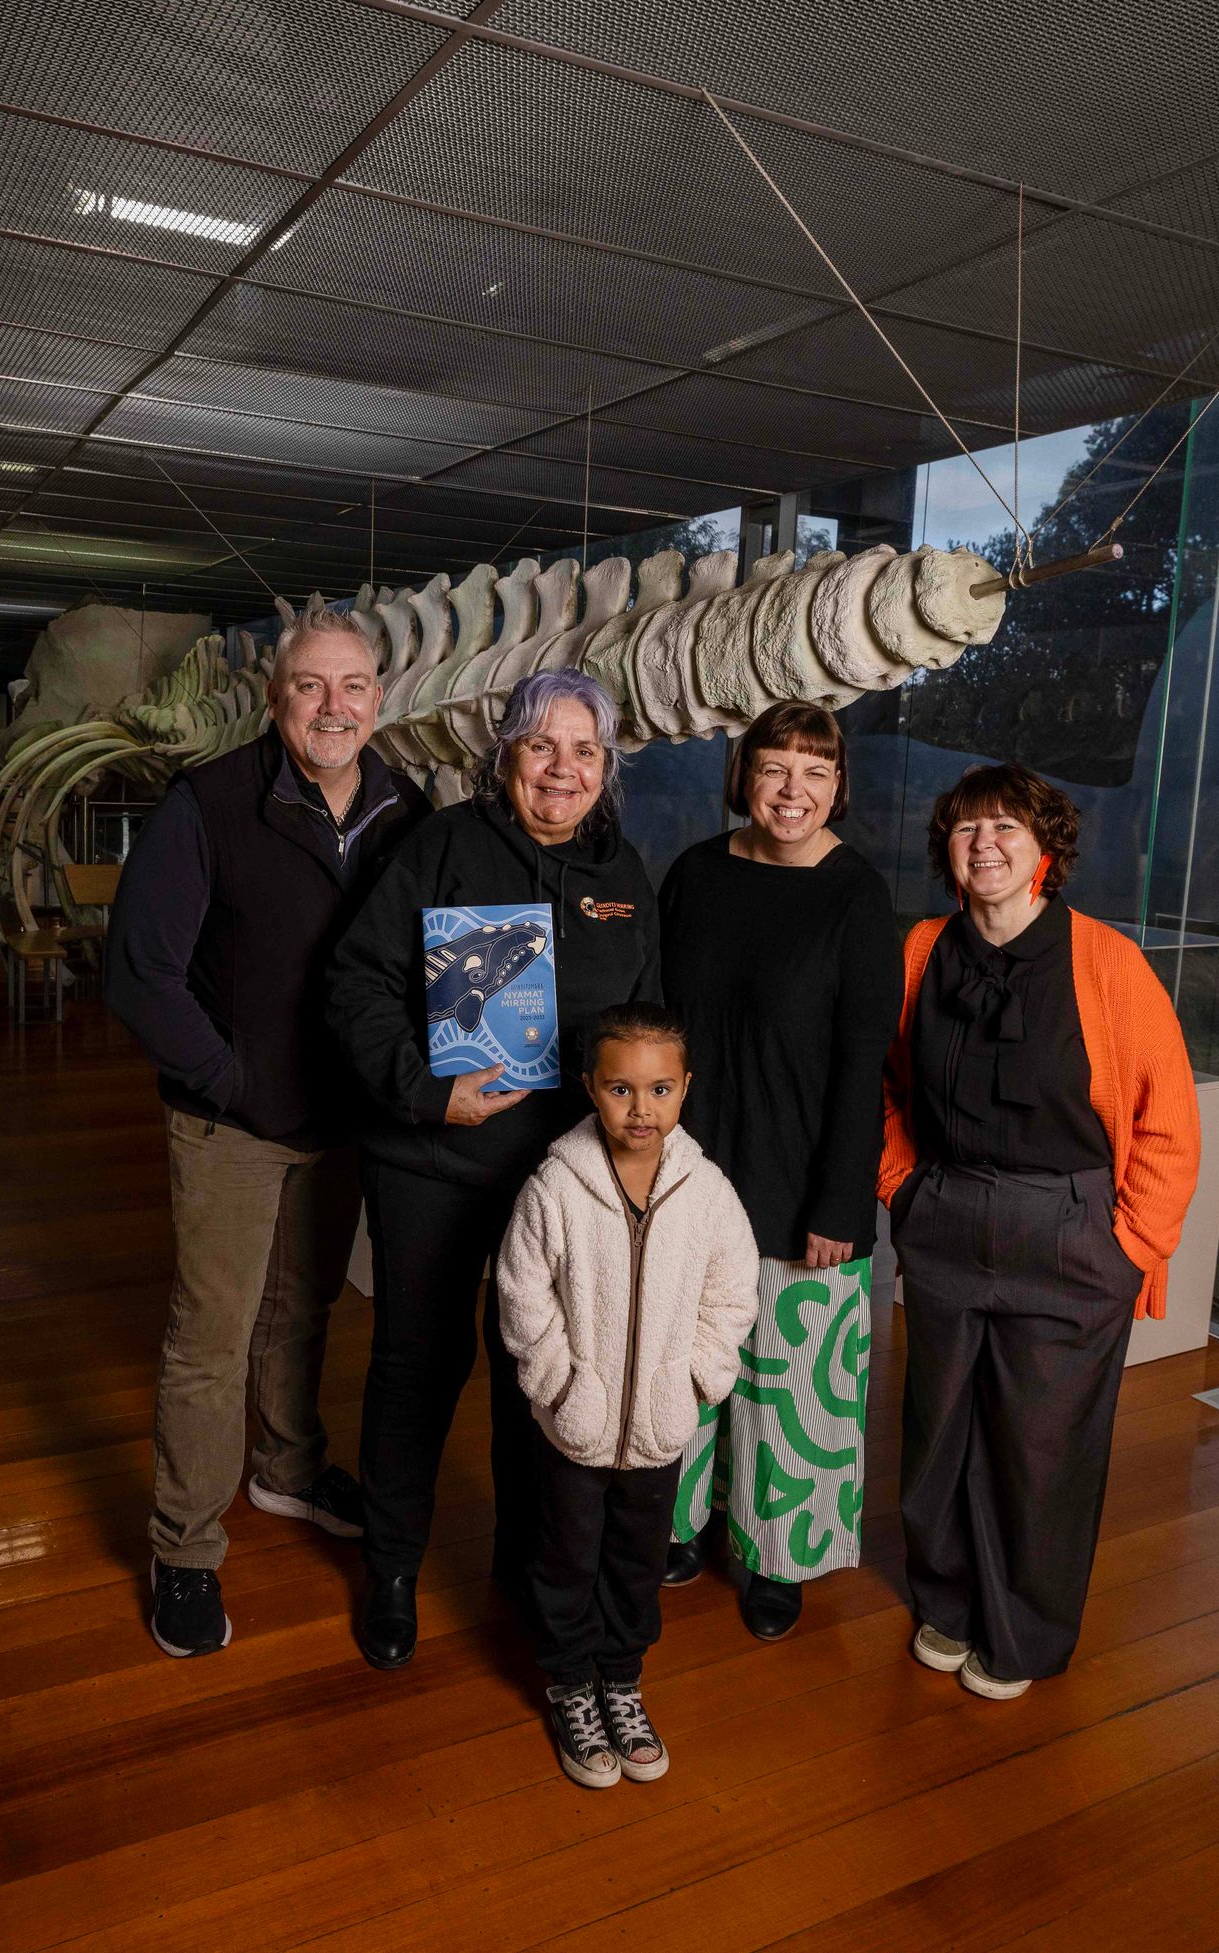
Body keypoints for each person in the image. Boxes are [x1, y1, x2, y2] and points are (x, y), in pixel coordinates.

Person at [324, 667, 661, 1671]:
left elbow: (652, 1025)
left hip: (559, 1176)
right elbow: (355, 986)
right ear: (507, 753)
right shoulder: (439, 847)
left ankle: (527, 1565)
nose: (562, 769)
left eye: (584, 752)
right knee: (418, 1363)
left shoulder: (625, 877)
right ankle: (391, 1568)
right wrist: (432, 1091)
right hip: (431, 1154)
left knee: (539, 1376)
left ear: (607, 769)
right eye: (542, 747)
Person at [107, 607, 421, 1657]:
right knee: (211, 1340)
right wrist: (226, 1076)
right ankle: (186, 1550)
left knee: (306, 1308)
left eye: (354, 686)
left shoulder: (402, 808)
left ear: (380, 698)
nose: (334, 707)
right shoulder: (206, 804)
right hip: (229, 1124)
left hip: (339, 1119)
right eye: (311, 687)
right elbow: (138, 972)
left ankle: (287, 1468)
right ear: (275, 696)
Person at [880, 762, 1201, 1701]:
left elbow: (1170, 1117)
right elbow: (887, 1084)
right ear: (948, 847)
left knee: (1042, 1443)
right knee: (937, 1426)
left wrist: (1130, 1247)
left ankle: (1020, 1632)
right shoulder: (921, 950)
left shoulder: (1109, 963)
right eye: (967, 826)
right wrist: (901, 1185)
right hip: (944, 1217)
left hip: (1069, 1233)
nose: (985, 841)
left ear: (1046, 852)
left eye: (1007, 827)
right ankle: (944, 1600)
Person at [656, 701, 899, 1639]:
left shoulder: (856, 896)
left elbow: (862, 1060)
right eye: (774, 767)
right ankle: (677, 1525)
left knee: (788, 1380)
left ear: (839, 785)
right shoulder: (694, 874)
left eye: (814, 770)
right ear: (742, 777)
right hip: (688, 1171)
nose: (792, 790)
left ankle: (778, 1551)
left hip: (803, 1180)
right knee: (681, 1365)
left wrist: (841, 1198)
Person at [495, 1003, 759, 1788]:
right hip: (575, 1428)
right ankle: (573, 1684)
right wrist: (562, 1387)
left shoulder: (707, 1193)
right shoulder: (555, 1187)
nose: (640, 1109)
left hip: (657, 1428)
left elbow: (731, 1295)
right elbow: (522, 1295)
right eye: (619, 1088)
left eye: (659, 1089)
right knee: (567, 1556)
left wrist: (694, 1381)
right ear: (588, 1088)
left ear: (685, 1090)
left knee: (636, 1560)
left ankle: (622, 1679)